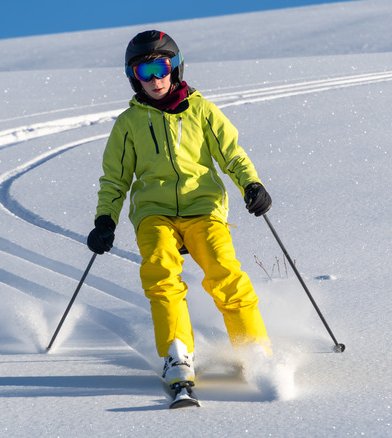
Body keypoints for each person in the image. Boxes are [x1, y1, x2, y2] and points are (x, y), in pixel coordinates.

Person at [87, 30, 273, 392]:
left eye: (161, 67)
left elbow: (231, 154)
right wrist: (104, 219)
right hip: (153, 212)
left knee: (224, 272)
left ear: (176, 67)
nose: (155, 79)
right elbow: (115, 179)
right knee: (160, 272)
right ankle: (177, 352)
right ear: (133, 77)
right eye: (144, 72)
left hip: (203, 207)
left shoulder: (202, 111)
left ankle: (255, 352)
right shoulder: (129, 124)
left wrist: (251, 184)